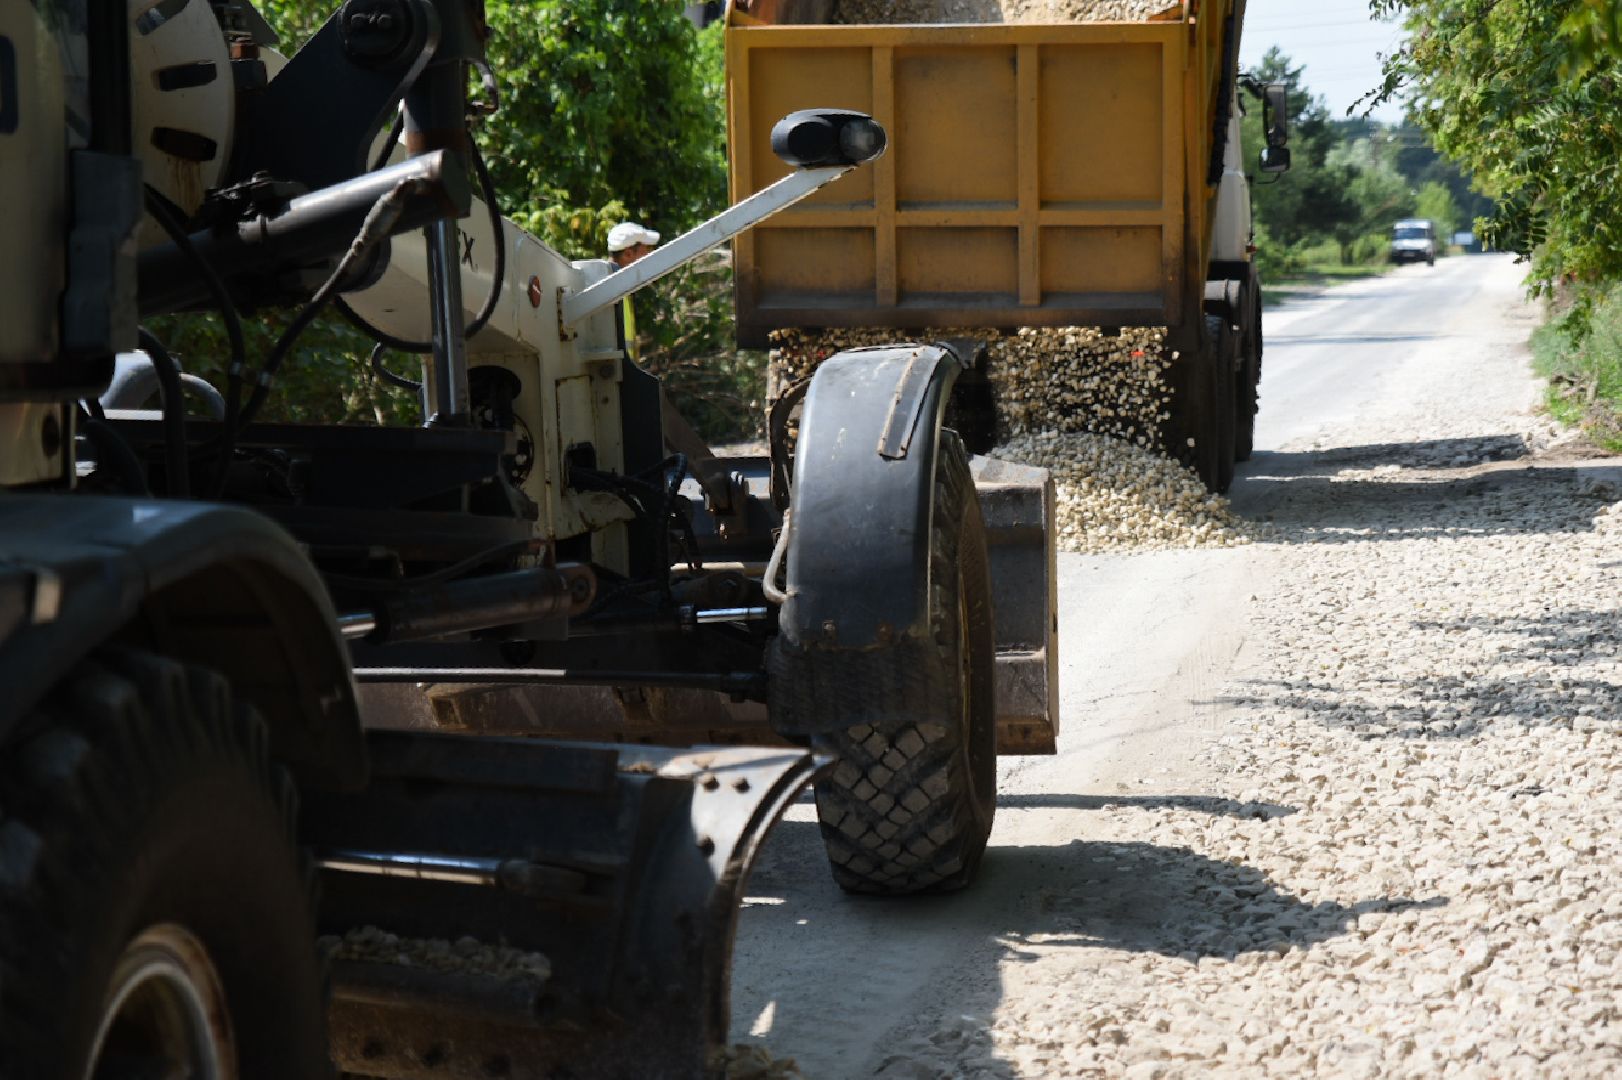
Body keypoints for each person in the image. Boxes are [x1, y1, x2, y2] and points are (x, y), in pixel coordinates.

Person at [607, 222, 660, 362]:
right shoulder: (608, 289)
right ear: (628, 253)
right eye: (646, 249)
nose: (650, 255)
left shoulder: (620, 288)